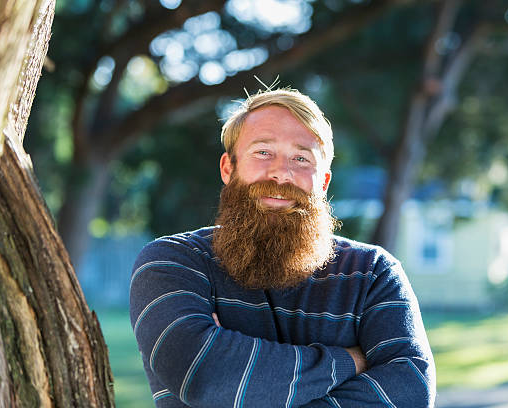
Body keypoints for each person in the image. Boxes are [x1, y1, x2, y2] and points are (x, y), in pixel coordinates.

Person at [130, 88, 436, 407]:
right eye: (263, 152)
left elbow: (411, 390)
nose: (281, 173)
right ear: (228, 168)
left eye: (301, 158)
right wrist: (352, 362)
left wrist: (244, 374)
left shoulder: (372, 272)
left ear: (324, 182)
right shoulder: (173, 262)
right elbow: (206, 377)